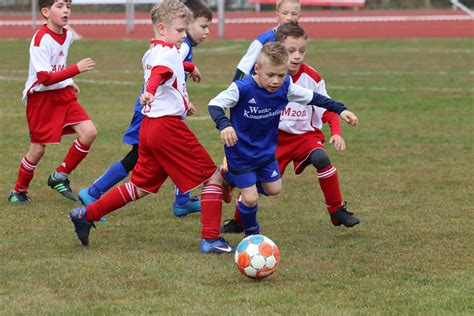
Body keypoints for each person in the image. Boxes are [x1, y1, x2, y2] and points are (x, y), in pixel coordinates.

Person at [69, 0, 234, 254]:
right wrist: (150, 92)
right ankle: (211, 239)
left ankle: (85, 214)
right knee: (211, 177)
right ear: (162, 27)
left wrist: (185, 80)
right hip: (167, 128)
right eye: (180, 30)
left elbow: (169, 70)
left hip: (150, 127)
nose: (183, 35)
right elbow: (160, 73)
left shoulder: (154, 50)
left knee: (140, 186)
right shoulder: (166, 54)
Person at [221, 24, 360, 234]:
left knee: (322, 159)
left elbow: (325, 105)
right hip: (274, 139)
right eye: (290, 51)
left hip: (305, 136)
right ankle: (240, 218)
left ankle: (336, 209)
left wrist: (337, 130)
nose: (296, 57)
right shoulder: (260, 79)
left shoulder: (312, 78)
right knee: (265, 185)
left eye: (301, 51)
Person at [8, 0, 97, 204]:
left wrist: (69, 81)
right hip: (41, 98)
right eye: (60, 6)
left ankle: (59, 176)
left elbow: (57, 66)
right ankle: (18, 191)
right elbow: (44, 77)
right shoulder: (41, 39)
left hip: (62, 93)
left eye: (68, 6)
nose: (66, 10)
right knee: (38, 149)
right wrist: (75, 70)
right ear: (46, 12)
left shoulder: (68, 35)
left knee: (89, 132)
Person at [233, 0, 301, 81]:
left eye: (294, 14)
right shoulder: (265, 39)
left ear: (299, 16)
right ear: (277, 16)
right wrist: (235, 90)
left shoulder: (299, 38)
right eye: (285, 13)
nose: (289, 18)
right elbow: (244, 67)